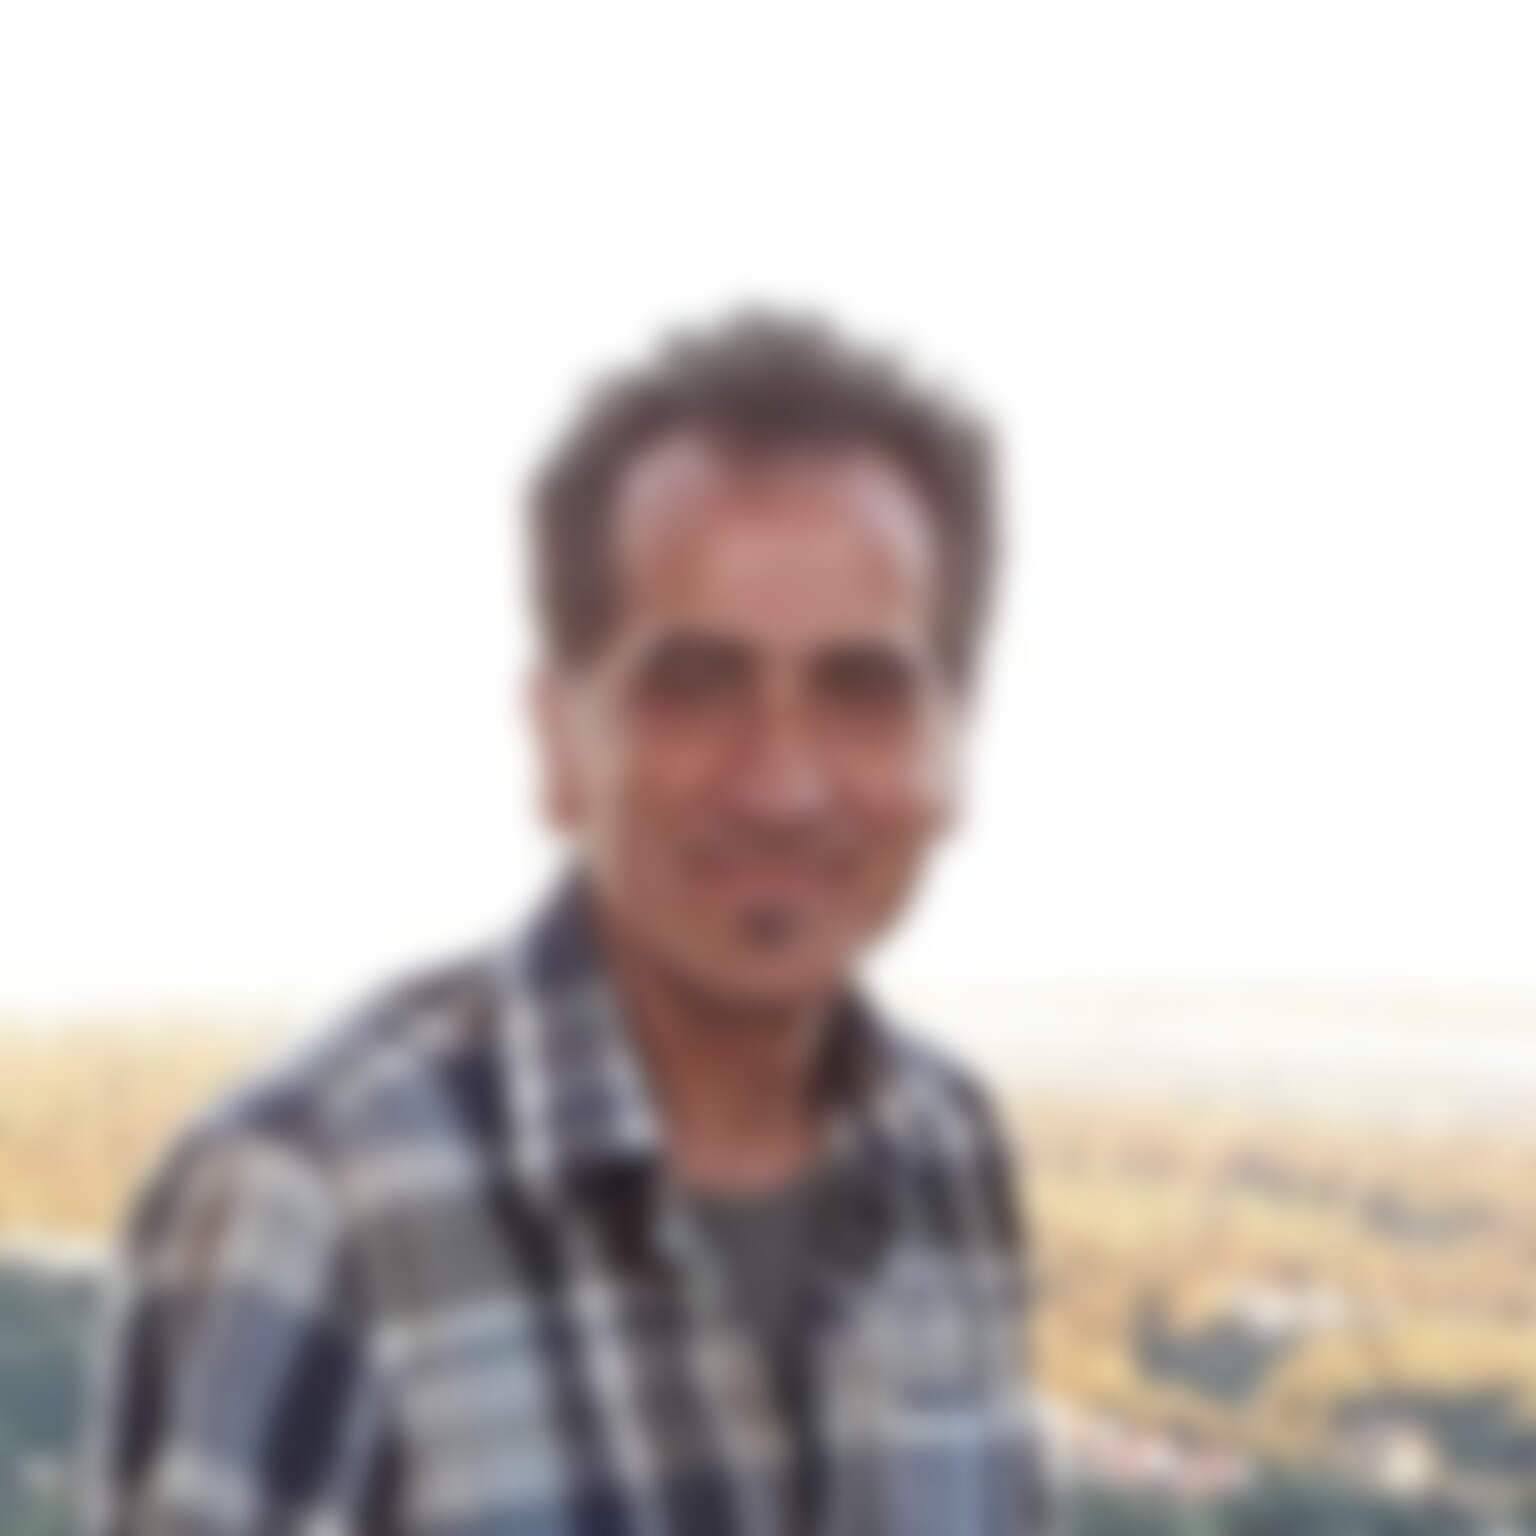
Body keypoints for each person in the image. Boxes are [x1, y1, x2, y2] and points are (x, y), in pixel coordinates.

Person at [80, 310, 1052, 1534]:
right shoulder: (312, 1203)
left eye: (861, 691)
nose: (781, 782)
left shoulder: (948, 1158)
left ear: (951, 749)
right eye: (694, 685)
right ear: (558, 739)